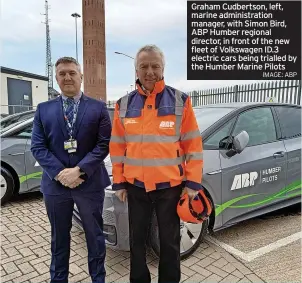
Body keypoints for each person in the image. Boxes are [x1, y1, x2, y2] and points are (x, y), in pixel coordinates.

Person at [109, 45, 203, 283]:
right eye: (144, 66)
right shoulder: (123, 104)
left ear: (163, 68)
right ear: (136, 69)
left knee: (169, 244)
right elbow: (118, 147)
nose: (149, 71)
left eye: (154, 66)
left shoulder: (180, 101)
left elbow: (193, 144)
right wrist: (119, 183)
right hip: (136, 187)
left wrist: (192, 183)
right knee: (136, 241)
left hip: (169, 188)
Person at [31, 56, 111, 283]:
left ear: (81, 77)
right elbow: (37, 146)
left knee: (95, 237)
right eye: (62, 73)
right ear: (56, 78)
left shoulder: (98, 108)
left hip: (90, 184)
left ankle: (98, 279)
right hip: (55, 188)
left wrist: (80, 170)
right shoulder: (43, 110)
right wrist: (60, 173)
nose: (67, 77)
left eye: (72, 73)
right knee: (59, 239)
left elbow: (103, 144)